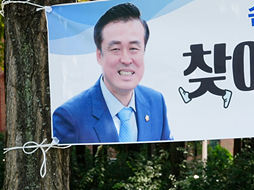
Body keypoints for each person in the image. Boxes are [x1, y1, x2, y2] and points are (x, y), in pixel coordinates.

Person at [52, 3, 172, 144]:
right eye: (115, 49)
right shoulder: (70, 116)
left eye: (134, 48)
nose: (126, 60)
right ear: (99, 55)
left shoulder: (156, 102)